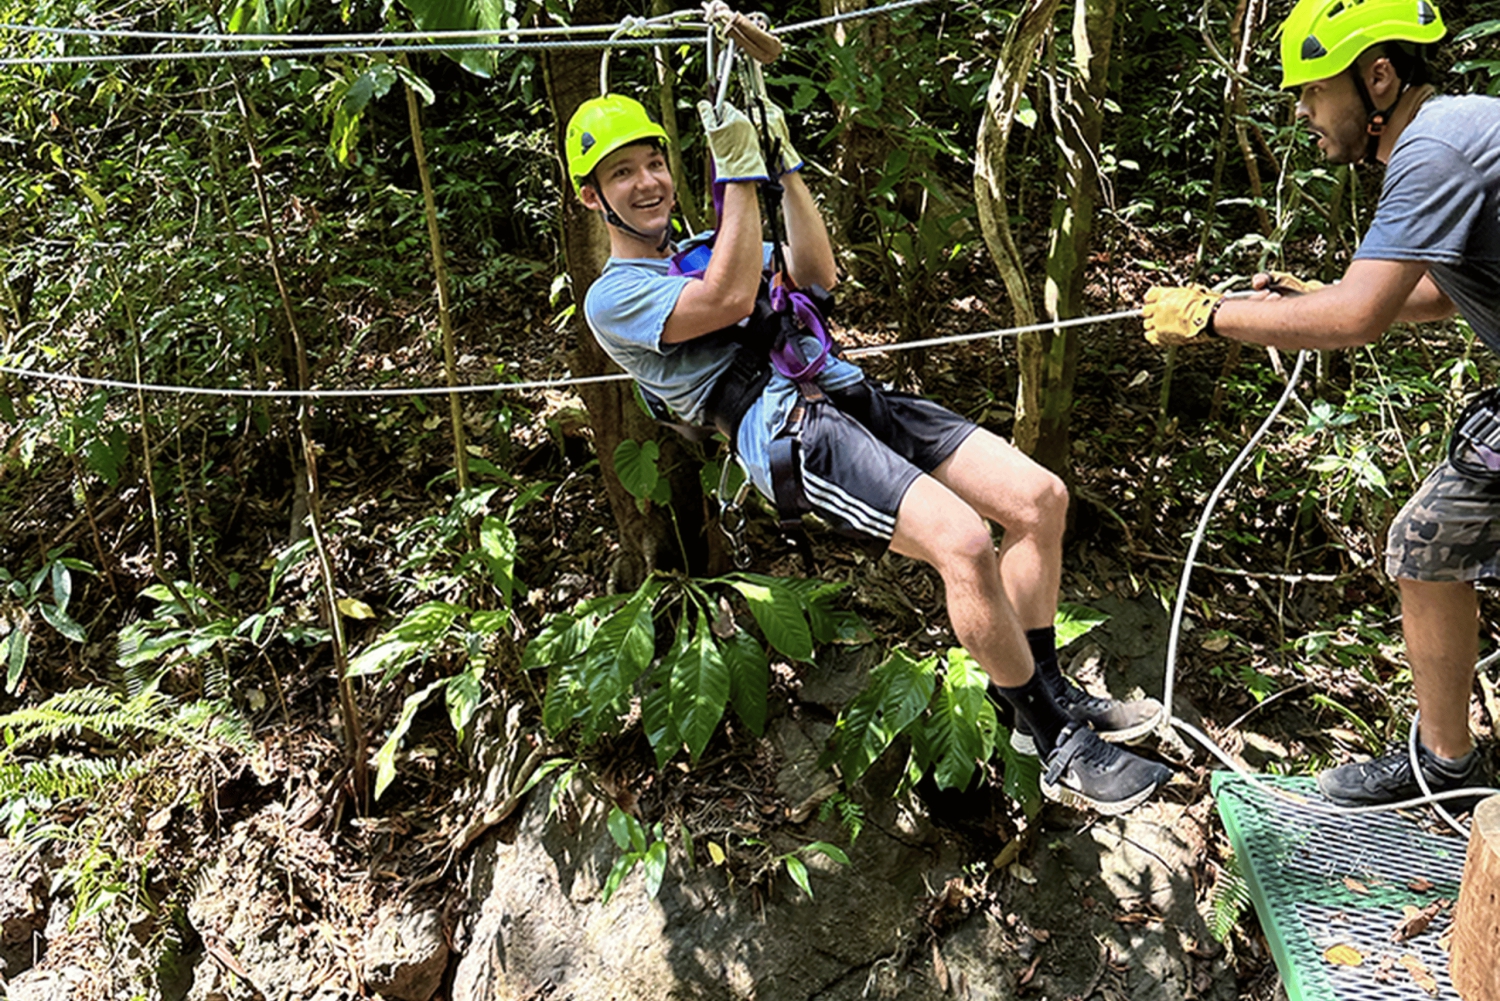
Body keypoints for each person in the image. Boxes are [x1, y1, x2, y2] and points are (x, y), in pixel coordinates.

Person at [563, 90, 1171, 814]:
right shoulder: (614, 295)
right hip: (788, 428)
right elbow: (727, 302)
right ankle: (1056, 742)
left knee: (1040, 499)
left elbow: (816, 271)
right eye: (623, 171)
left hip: (846, 392)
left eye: (654, 162)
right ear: (591, 196)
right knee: (964, 542)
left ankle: (1046, 695)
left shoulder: (702, 248)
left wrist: (782, 168)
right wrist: (737, 180)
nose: (648, 181)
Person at [1141, 0, 1499, 806]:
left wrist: (1208, 316)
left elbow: (1355, 321)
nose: (1303, 113)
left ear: (1377, 79)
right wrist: (1320, 293)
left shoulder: (1435, 150)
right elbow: (1438, 291)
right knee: (1428, 543)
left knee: (1427, 541)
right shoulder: (1452, 135)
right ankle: (1446, 770)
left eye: (1312, 92)